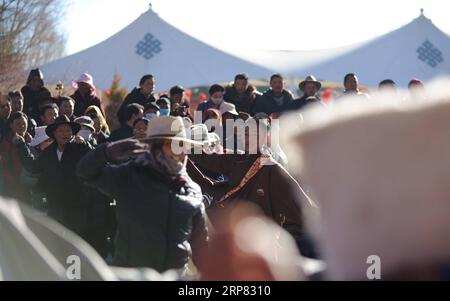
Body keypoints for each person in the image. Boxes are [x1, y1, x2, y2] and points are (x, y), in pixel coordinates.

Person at [77, 116, 209, 272]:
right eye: (172, 144)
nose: (179, 151)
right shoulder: (130, 175)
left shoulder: (192, 189)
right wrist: (107, 151)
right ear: (156, 147)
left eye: (182, 145)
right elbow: (85, 172)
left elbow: (201, 246)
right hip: (132, 274)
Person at [190, 117, 316, 258]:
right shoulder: (237, 159)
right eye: (245, 134)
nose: (248, 138)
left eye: (254, 135)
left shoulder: (272, 168)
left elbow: (298, 209)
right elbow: (208, 160)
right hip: (231, 236)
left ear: (264, 138)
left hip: (259, 245)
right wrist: (186, 148)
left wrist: (287, 246)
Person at [16, 115, 94, 241]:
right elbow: (33, 166)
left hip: (77, 206)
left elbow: (93, 160)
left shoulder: (79, 148)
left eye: (68, 130)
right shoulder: (48, 153)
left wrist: (86, 144)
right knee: (57, 242)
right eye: (61, 131)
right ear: (54, 134)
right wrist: (21, 145)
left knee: (76, 243)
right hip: (55, 206)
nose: (65, 133)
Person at [0, 112, 32, 202]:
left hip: (28, 186)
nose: (21, 126)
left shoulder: (31, 140)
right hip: (11, 186)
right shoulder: (5, 143)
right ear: (11, 125)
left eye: (24, 124)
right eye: (18, 124)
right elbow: (4, 166)